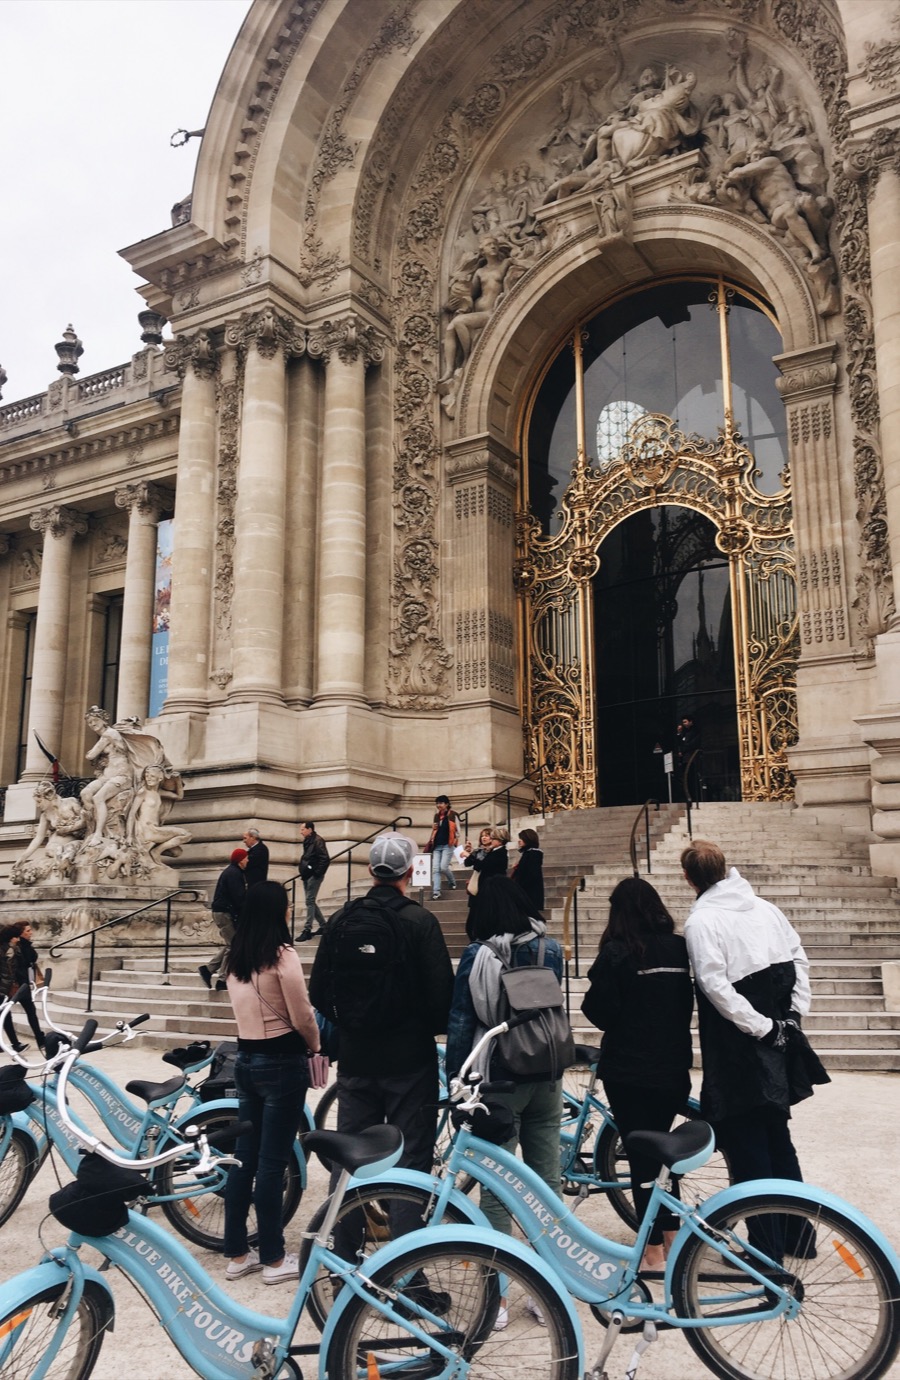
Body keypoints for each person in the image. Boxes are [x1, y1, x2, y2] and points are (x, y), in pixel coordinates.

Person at [308, 831, 454, 1247]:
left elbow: (319, 991)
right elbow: (442, 994)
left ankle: (343, 1253)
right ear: (410, 871)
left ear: (371, 870)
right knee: (411, 1159)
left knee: (350, 1156)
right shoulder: (420, 921)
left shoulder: (342, 918)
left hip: (356, 1059)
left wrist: (352, 1022)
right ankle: (407, 1266)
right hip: (410, 1059)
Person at [445, 874, 564, 1327]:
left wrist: (455, 1076)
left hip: (498, 1076)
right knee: (546, 1183)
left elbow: (460, 1020)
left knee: (496, 1188)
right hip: (545, 1071)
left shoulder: (478, 954)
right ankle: (545, 1289)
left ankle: (496, 1295)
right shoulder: (548, 948)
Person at [681, 838, 811, 1192]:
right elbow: (799, 959)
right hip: (778, 1033)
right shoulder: (766, 909)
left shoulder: (701, 921)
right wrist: (794, 1016)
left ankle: (762, 1245)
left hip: (737, 1045)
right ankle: (797, 1236)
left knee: (746, 1143)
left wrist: (763, 1029)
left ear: (689, 878)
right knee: (777, 1135)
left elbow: (714, 986)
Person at [581, 877, 693, 1271]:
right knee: (663, 1156)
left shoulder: (618, 951)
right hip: (673, 1065)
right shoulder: (679, 948)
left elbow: (598, 1011)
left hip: (630, 1070)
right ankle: (674, 1239)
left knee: (643, 1163)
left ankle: (652, 1253)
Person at [223, 881, 319, 1285]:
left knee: (244, 1160)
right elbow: (302, 1015)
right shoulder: (282, 956)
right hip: (281, 1061)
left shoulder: (235, 958)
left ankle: (237, 1253)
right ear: (278, 912)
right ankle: (275, 1259)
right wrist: (315, 1045)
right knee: (271, 1162)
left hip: (245, 1057)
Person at [199, 848, 248, 990]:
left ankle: (208, 970)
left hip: (223, 912)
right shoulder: (234, 873)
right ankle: (221, 979)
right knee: (233, 946)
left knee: (232, 944)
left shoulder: (233, 872)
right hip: (224, 913)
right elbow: (238, 897)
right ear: (240, 860)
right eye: (246, 858)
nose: (248, 860)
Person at [0, 922, 46, 1053]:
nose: (30, 933)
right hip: (11, 986)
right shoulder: (10, 950)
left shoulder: (17, 947)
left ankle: (39, 1039)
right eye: (27, 931)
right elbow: (9, 970)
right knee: (6, 1015)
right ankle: (16, 1044)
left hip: (19, 985)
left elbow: (31, 959)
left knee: (28, 1012)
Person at [461, 825, 509, 939]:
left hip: (489, 890)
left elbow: (482, 866)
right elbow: (471, 864)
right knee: (472, 923)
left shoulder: (499, 853)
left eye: (491, 837)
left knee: (475, 922)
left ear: (499, 840)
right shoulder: (490, 851)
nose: (489, 840)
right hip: (482, 889)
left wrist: (469, 855)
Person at [297, 822, 330, 941]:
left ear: (309, 829)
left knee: (309, 901)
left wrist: (317, 873)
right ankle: (324, 926)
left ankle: (307, 929)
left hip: (313, 876)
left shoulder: (318, 840)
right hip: (307, 874)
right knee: (310, 901)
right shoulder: (308, 840)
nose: (301, 832)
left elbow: (325, 859)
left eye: (302, 829)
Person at [427, 795, 459, 901]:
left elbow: (457, 831)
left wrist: (455, 841)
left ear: (447, 804)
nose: (438, 805)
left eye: (440, 803)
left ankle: (452, 881)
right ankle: (436, 892)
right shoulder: (436, 816)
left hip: (447, 845)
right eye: (437, 803)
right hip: (437, 845)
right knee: (435, 869)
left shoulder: (453, 815)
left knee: (443, 867)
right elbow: (435, 830)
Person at [510, 827, 545, 913]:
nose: (519, 841)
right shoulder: (528, 853)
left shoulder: (533, 854)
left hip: (529, 894)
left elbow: (532, 874)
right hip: (525, 893)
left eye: (521, 839)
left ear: (528, 839)